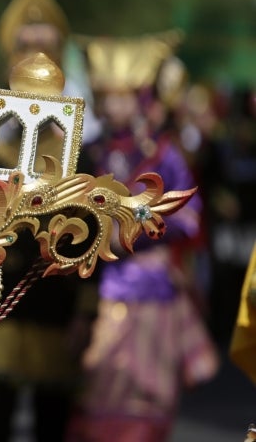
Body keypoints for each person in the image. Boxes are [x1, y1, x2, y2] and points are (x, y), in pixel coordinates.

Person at [0, 0, 97, 442]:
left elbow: (93, 234)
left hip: (57, 309)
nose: (35, 60)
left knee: (53, 422)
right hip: (0, 307)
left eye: (45, 49)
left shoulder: (81, 155)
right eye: (25, 49)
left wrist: (86, 314)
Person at [67, 31, 218, 442]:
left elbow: (188, 219)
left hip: (151, 293)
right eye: (108, 96)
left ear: (142, 98)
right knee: (96, 398)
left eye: (124, 96)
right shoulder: (90, 152)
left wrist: (130, 236)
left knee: (148, 401)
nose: (115, 105)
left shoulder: (163, 154)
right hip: (96, 290)